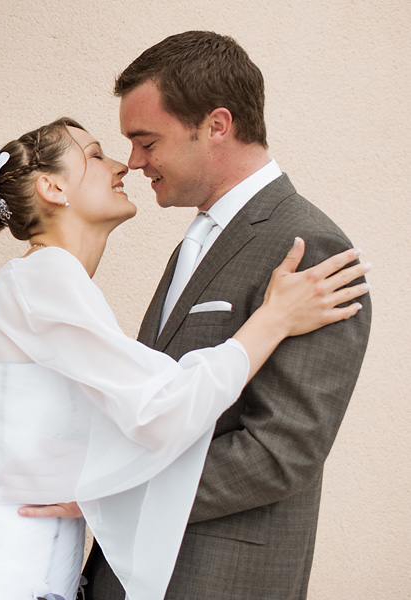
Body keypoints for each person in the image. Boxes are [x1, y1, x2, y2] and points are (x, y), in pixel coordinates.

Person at [0, 117, 368, 600]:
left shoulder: (47, 283)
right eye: (97, 153)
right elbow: (159, 407)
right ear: (53, 187)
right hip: (0, 569)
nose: (123, 165)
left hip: (32, 556)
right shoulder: (46, 278)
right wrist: (271, 321)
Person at [23, 32, 373, 600]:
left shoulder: (310, 245)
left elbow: (282, 452)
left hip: (213, 577)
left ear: (216, 125)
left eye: (145, 140)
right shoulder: (201, 238)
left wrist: (110, 492)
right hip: (128, 569)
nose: (133, 162)